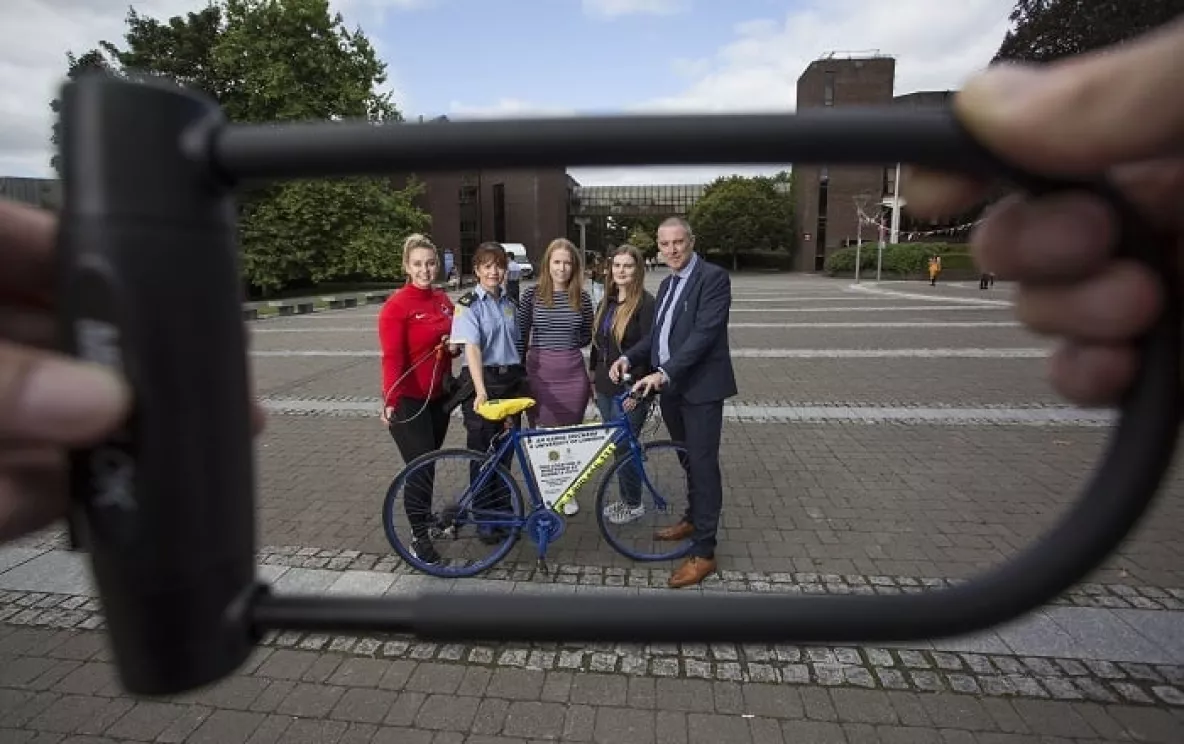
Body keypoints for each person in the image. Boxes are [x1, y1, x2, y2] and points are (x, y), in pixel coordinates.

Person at [1, 19, 1182, 546]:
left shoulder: (645, 282)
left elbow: (626, 324)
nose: (608, 257)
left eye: (623, 251)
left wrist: (622, 347)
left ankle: (613, 516)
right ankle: (491, 522)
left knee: (585, 448)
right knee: (503, 454)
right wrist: (477, 360)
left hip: (585, 372)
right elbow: (483, 334)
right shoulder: (482, 293)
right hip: (512, 377)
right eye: (610, 250)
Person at [610, 216, 737, 588]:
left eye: (678, 242)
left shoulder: (712, 279)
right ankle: (693, 519)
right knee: (687, 461)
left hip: (701, 390)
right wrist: (629, 357)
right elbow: (657, 336)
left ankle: (704, 552)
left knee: (702, 465)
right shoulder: (666, 285)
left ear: (691, 241)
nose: (672, 250)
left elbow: (703, 336)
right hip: (674, 391)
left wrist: (663, 373)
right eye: (664, 244)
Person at [378, 233, 458, 564]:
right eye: (418, 264)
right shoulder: (396, 307)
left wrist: (453, 347)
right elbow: (392, 358)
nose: (425, 270)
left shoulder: (442, 299)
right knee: (420, 468)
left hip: (437, 397)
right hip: (410, 401)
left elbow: (456, 337)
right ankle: (417, 539)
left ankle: (423, 520)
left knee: (429, 463)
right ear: (406, 267)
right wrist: (391, 400)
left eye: (429, 263)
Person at [450, 242, 528, 540]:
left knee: (505, 453)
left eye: (498, 265)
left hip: (510, 382)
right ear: (477, 270)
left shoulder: (509, 303)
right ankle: (484, 518)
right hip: (483, 383)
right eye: (487, 266)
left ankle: (504, 513)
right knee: (483, 454)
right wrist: (481, 391)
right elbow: (471, 349)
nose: (493, 271)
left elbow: (515, 346)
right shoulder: (468, 304)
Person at [516, 238, 595, 513]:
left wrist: (567, 345)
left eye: (567, 262)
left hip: (573, 374)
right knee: (543, 437)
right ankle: (544, 491)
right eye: (557, 261)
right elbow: (520, 335)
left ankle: (566, 491)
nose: (562, 268)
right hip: (540, 373)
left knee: (568, 439)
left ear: (574, 266)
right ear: (547, 264)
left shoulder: (582, 298)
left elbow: (587, 334)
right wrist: (519, 375)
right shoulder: (531, 295)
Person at [589, 244, 656, 525]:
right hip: (605, 388)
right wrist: (594, 378)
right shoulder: (608, 300)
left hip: (632, 389)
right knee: (618, 446)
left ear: (638, 269)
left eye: (627, 266)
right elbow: (598, 344)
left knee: (625, 446)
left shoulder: (646, 303)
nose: (621, 271)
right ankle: (628, 496)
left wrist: (639, 392)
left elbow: (651, 348)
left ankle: (633, 503)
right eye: (617, 265)